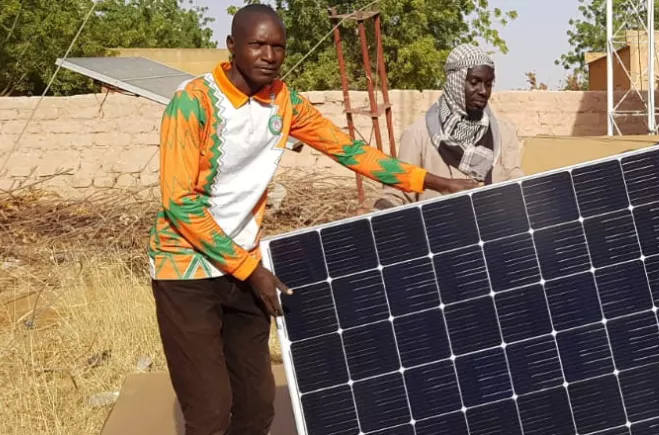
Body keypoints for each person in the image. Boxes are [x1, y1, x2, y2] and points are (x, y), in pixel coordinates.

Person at [147, 5, 476, 434]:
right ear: (232, 47)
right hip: (186, 271)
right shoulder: (192, 103)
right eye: (257, 44)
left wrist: (434, 181)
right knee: (210, 410)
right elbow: (179, 203)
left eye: (278, 47)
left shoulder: (283, 102)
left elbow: (351, 151)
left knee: (256, 407)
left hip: (243, 268)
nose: (269, 55)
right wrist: (252, 270)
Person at [374, 44, 524, 208]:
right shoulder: (418, 135)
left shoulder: (503, 133)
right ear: (456, 83)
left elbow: (515, 181)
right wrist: (378, 215)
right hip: (437, 230)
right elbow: (397, 193)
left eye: (488, 84)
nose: (483, 91)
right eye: (475, 82)